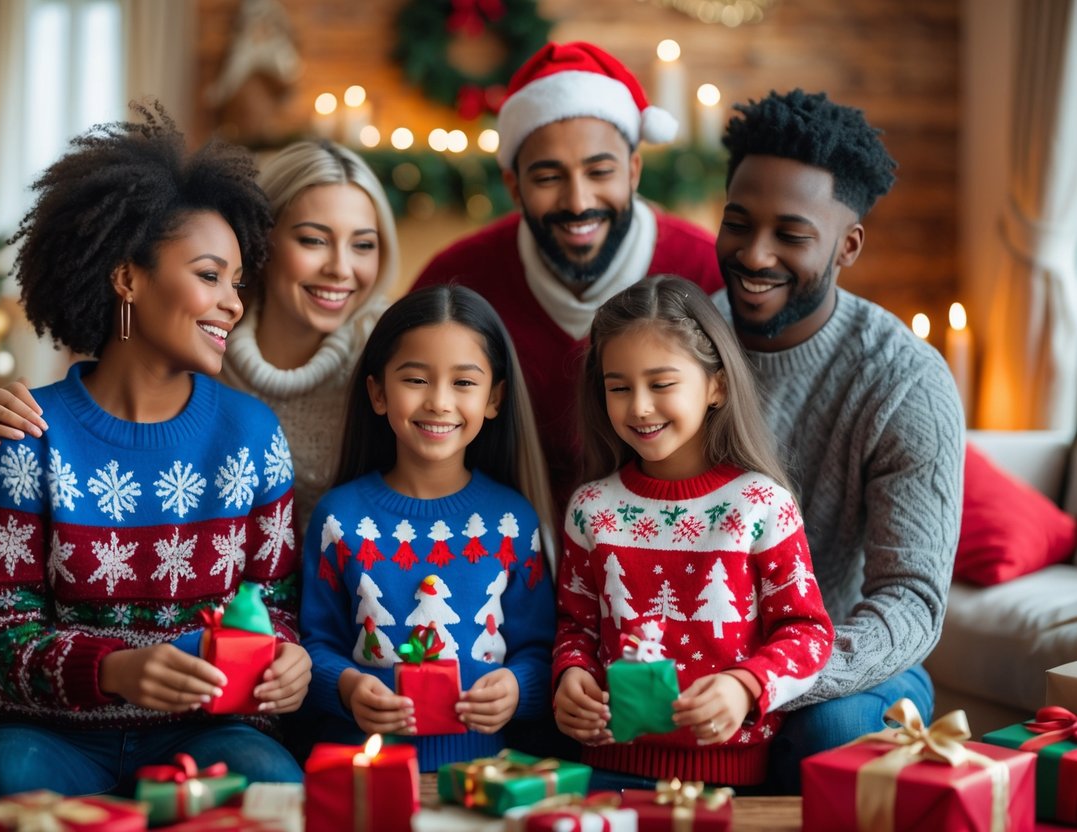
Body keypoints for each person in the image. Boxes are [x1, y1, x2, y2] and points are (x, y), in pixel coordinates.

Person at [0, 105, 308, 800]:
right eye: (209, 276)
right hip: (48, 732)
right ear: (126, 278)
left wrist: (287, 659)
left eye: (237, 282)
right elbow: (0, 629)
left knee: (272, 783)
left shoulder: (252, 435)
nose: (232, 303)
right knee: (5, 775)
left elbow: (273, 605)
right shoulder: (31, 433)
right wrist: (114, 669)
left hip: (207, 731)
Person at [711, 89, 965, 792]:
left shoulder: (904, 381)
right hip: (689, 651)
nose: (753, 254)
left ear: (847, 245)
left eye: (791, 235)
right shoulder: (677, 346)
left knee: (831, 733)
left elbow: (910, 602)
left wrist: (763, 679)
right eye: (738, 224)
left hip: (844, 667)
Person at [0, 139, 399, 534]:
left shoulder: (394, 358)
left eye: (364, 245)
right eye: (313, 240)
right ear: (260, 241)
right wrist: (13, 513)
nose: (341, 268)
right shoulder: (189, 339)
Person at [411, 41, 724, 507]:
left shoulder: (706, 271)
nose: (578, 202)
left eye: (600, 172)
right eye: (548, 178)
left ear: (633, 171)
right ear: (514, 186)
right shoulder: (456, 280)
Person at [552, 276, 834, 788]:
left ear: (716, 385)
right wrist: (571, 676)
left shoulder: (760, 504)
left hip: (732, 781)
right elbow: (577, 627)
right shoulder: (590, 508)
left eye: (661, 384)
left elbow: (808, 633)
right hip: (605, 771)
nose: (639, 406)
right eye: (619, 387)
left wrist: (746, 685)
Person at [300, 285, 557, 771]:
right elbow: (313, 645)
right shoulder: (339, 518)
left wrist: (517, 687)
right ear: (378, 392)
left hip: (484, 775)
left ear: (495, 398)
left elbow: (541, 651)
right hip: (363, 769)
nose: (439, 402)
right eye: (416, 379)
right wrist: (347, 687)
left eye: (464, 383)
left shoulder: (512, 522)